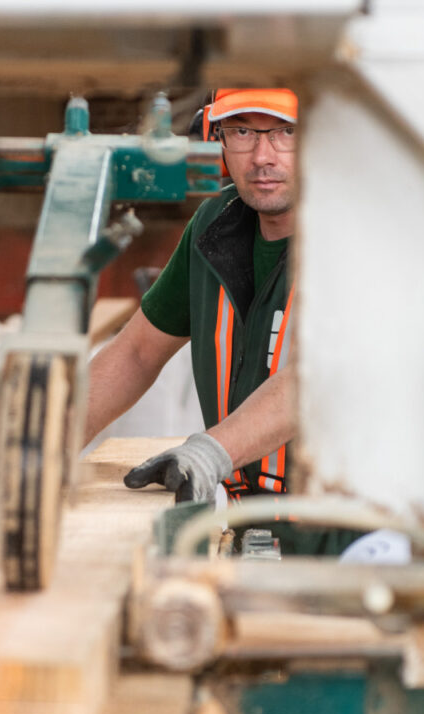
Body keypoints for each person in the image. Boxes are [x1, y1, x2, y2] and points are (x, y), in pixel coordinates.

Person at [84, 87, 299, 506]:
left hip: (343, 529)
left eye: (285, 133)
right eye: (241, 132)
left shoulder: (354, 239)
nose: (262, 157)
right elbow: (137, 354)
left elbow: (326, 376)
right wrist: (35, 447)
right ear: (216, 138)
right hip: (244, 521)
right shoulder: (215, 226)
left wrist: (209, 452)